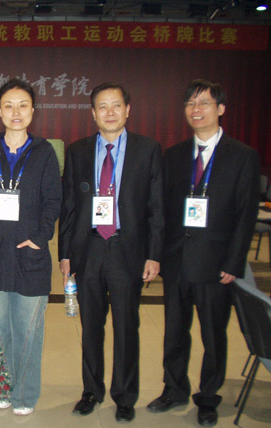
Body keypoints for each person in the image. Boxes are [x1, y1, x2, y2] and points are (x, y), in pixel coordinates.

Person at [147, 79, 260, 427]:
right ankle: (174, 388)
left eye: (205, 103)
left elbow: (245, 214)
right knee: (174, 332)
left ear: (221, 109)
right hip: (178, 261)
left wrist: (234, 262)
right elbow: (162, 210)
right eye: (191, 104)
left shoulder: (242, 156)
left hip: (216, 265)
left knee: (213, 335)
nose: (197, 110)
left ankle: (208, 397)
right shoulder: (175, 155)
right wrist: (159, 255)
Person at [58, 82, 164, 422]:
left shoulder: (147, 150)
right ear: (93, 113)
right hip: (88, 249)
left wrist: (154, 254)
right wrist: (65, 254)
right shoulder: (78, 151)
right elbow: (69, 207)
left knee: (126, 327)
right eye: (102, 106)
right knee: (91, 327)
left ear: (127, 110)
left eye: (116, 105)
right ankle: (91, 391)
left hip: (126, 251)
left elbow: (156, 207)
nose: (109, 112)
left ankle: (124, 396)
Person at [0, 78, 62, 415]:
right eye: (9, 105)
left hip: (29, 255)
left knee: (28, 331)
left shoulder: (44, 152)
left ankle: (24, 394)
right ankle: (2, 387)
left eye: (23, 105)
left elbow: (53, 201)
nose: (16, 112)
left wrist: (41, 236)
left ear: (33, 110)